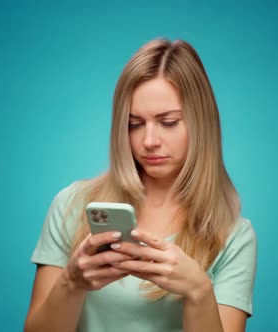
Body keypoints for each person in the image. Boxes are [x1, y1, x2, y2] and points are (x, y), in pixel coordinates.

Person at [24, 38, 257, 332]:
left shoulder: (234, 236)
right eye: (134, 124)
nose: (148, 141)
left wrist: (199, 291)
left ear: (201, 122)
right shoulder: (71, 205)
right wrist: (72, 282)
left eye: (168, 122)